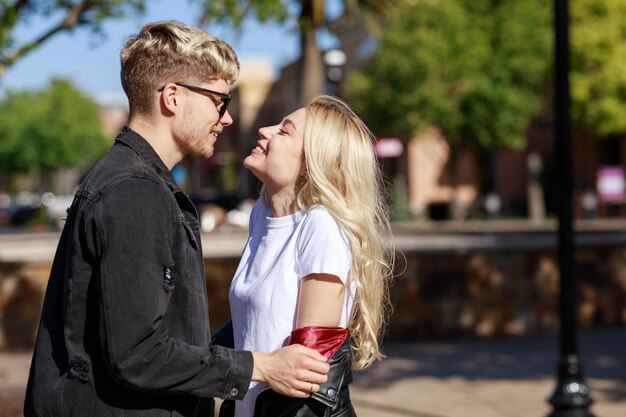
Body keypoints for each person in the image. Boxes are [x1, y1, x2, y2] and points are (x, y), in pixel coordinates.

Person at [23, 21, 329, 417]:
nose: (227, 119)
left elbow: (160, 332)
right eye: (220, 101)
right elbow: (137, 354)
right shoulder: (135, 192)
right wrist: (260, 366)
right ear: (172, 97)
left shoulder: (135, 183)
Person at [224, 95, 395, 417]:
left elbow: (310, 357)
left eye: (284, 131)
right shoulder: (262, 215)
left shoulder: (321, 226)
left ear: (312, 163)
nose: (264, 130)